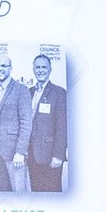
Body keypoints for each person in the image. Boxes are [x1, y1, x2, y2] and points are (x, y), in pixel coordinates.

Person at [0, 53, 33, 195]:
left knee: (19, 195)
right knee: (2, 196)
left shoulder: (21, 90)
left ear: (10, 68)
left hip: (14, 154)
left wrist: (20, 152)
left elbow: (26, 123)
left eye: (3, 66)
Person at [25, 52, 68, 193]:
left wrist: (59, 155)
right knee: (36, 193)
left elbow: (62, 126)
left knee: (52, 193)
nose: (40, 70)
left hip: (51, 156)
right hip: (32, 154)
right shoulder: (28, 92)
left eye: (44, 67)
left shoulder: (59, 93)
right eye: (37, 67)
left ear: (50, 70)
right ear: (33, 69)